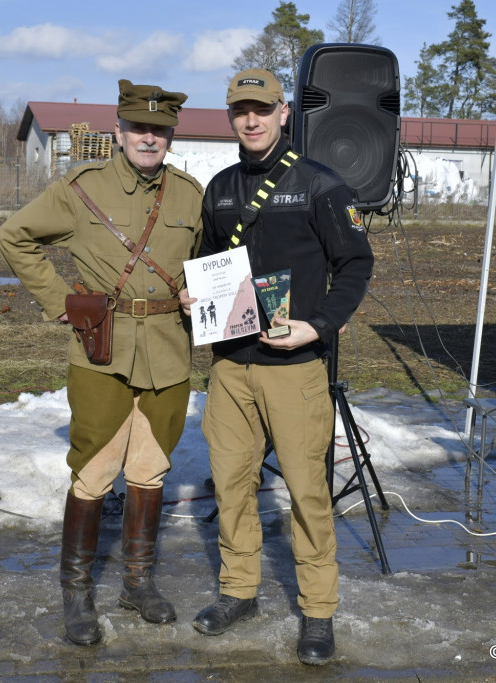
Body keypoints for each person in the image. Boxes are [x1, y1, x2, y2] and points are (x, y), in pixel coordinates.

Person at [0, 80, 203, 647]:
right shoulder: (80, 188)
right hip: (100, 351)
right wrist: (60, 300)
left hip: (169, 350)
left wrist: (200, 293)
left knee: (150, 470)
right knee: (93, 470)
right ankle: (77, 592)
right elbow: (14, 237)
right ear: (118, 131)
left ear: (170, 136)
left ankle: (138, 582)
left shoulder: (190, 195)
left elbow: (211, 262)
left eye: (159, 130)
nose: (148, 138)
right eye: (138, 128)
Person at [185, 68, 374, 666]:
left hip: (294, 368)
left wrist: (319, 325)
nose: (252, 120)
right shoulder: (219, 189)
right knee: (232, 485)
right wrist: (195, 295)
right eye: (241, 110)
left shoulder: (320, 185)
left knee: (307, 491)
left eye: (262, 109)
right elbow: (207, 259)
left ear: (283, 112)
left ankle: (317, 611)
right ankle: (239, 591)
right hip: (230, 366)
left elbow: (356, 264)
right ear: (230, 117)